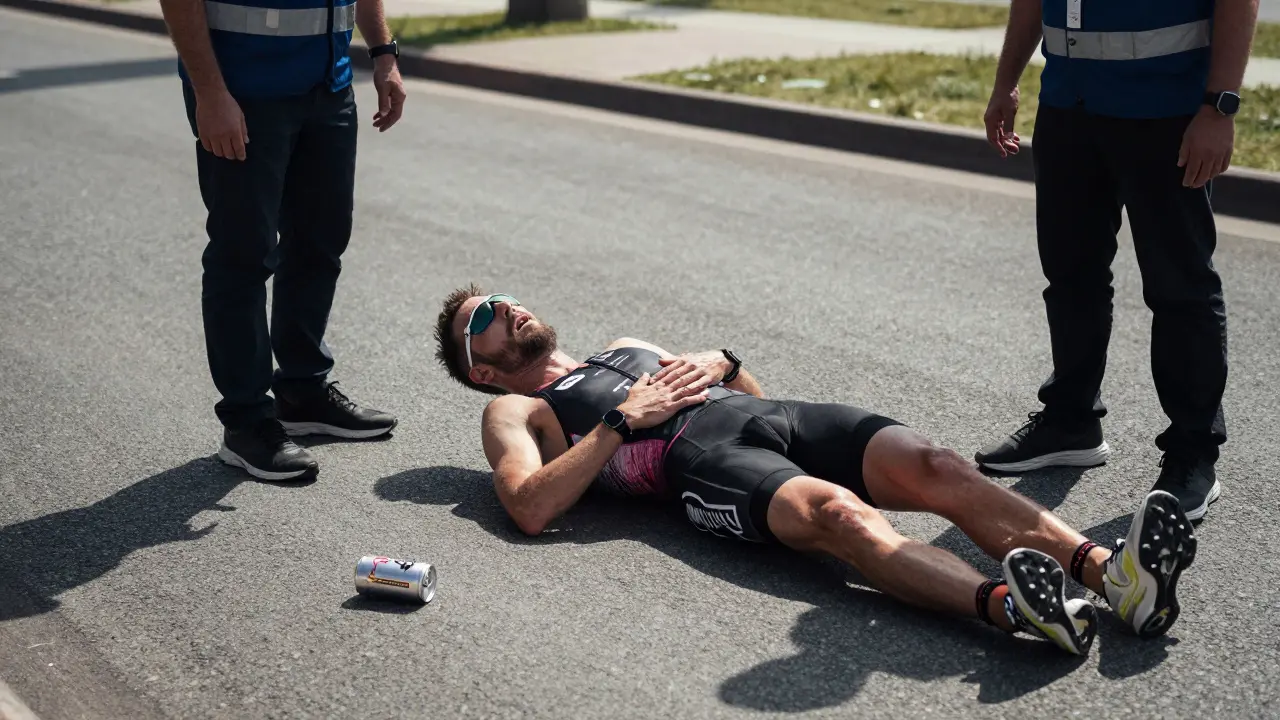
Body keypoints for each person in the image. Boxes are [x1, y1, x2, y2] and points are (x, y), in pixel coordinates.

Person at [431, 286, 1200, 656]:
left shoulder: (624, 345)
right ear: (483, 372)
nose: (507, 310)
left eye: (502, 299)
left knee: (937, 464)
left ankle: (1111, 576)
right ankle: (1013, 608)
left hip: (777, 419)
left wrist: (726, 362)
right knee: (840, 518)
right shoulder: (517, 411)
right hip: (701, 463)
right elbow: (529, 506)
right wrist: (623, 422)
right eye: (483, 322)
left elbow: (749, 393)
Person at [978, 0, 1259, 520]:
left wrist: (1219, 108)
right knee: (1070, 276)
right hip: (1068, 105)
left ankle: (1193, 454)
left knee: (1180, 289)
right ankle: (1072, 421)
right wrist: (1006, 82)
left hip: (1166, 111)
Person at [158, 0, 406, 480]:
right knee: (243, 255)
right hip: (242, 92)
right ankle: (246, 421)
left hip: (329, 88)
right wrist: (210, 94)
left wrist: (383, 53)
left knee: (320, 242)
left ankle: (302, 390)